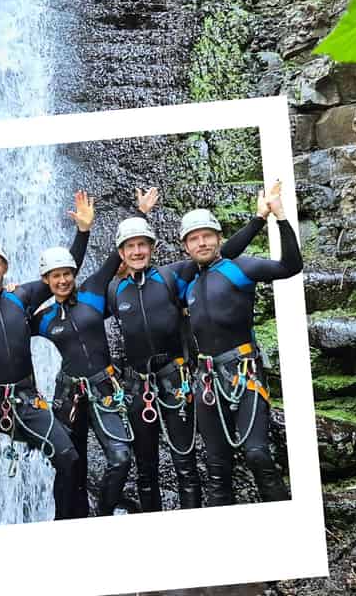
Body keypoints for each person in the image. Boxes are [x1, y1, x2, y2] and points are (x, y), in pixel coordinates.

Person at [109, 188, 271, 511]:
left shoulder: (173, 276)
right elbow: (75, 295)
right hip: (138, 387)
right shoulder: (114, 290)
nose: (137, 251)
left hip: (176, 381)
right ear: (121, 253)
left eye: (143, 244)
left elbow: (219, 256)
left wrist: (260, 219)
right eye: (130, 247)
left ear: (154, 248)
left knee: (187, 467)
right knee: (145, 472)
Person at [0, 192, 94, 527]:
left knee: (68, 457)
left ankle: (63, 527)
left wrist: (83, 232)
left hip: (26, 400)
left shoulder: (23, 296)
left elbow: (64, 272)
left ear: (5, 267)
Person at [179, 180, 302, 506]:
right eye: (194, 238)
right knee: (217, 466)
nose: (201, 243)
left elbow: (291, 266)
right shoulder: (187, 283)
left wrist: (278, 217)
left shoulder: (240, 269)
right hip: (206, 379)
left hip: (243, 371)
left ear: (219, 239)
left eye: (207, 236)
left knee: (257, 453)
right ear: (186, 247)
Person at [31, 235, 133, 517]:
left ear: (74, 274)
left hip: (103, 386)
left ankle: (103, 515)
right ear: (46, 280)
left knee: (121, 457)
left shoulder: (92, 292)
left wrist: (85, 231)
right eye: (55, 276)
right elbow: (10, 330)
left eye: (66, 274)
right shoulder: (44, 318)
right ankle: (66, 519)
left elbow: (117, 255)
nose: (62, 280)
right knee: (68, 463)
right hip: (67, 395)